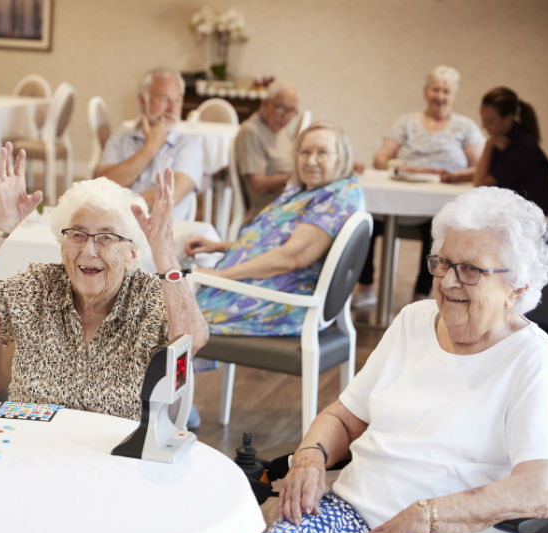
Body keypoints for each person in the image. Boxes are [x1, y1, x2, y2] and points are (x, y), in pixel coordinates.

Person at [219, 186, 548, 533]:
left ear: (517, 287)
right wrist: (309, 458)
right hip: (355, 510)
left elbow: (541, 490)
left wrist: (421, 517)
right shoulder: (414, 321)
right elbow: (344, 416)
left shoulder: (533, 359)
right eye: (443, 262)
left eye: (470, 270)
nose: (448, 281)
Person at [0, 143, 208, 419]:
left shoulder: (150, 296)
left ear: (131, 254)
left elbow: (192, 341)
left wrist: (166, 256)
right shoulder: (39, 285)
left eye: (106, 237)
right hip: (31, 445)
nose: (89, 250)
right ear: (62, 245)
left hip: (112, 453)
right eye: (78, 235)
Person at [188, 123, 363, 337]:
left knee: (170, 316)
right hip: (257, 288)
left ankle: (169, 369)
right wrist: (220, 247)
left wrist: (221, 275)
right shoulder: (308, 192)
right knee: (161, 301)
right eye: (305, 152)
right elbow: (274, 243)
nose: (310, 161)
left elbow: (292, 257)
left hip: (278, 301)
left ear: (341, 157)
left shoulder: (336, 198)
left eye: (322, 153)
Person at [359, 65, 485, 305]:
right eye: (435, 89)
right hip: (400, 197)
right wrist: (405, 168)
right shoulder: (405, 123)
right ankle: (365, 286)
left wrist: (451, 175)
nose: (440, 96)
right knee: (367, 220)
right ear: (425, 91)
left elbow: (479, 168)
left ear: (454, 95)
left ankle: (421, 294)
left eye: (446, 91)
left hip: (441, 202)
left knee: (438, 227)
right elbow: (380, 159)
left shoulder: (466, 127)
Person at [97, 67, 204, 221]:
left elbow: (171, 195)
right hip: (116, 231)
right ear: (143, 102)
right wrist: (150, 147)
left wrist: (119, 210)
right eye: (164, 99)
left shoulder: (191, 145)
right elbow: (104, 186)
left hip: (163, 236)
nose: (172, 108)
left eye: (177, 99)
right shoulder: (119, 141)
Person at [474, 87, 548, 217]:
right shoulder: (507, 139)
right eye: (483, 120)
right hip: (520, 219)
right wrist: (455, 176)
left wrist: (489, 145)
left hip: (534, 226)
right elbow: (490, 171)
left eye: (490, 121)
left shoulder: (522, 148)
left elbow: (479, 185)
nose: (484, 126)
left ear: (509, 118)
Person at [235, 81, 300, 215]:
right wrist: (294, 176)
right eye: (281, 108)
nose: (285, 116)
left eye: (291, 111)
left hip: (292, 199)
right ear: (264, 104)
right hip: (272, 209)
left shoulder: (280, 129)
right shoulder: (251, 131)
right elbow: (258, 186)